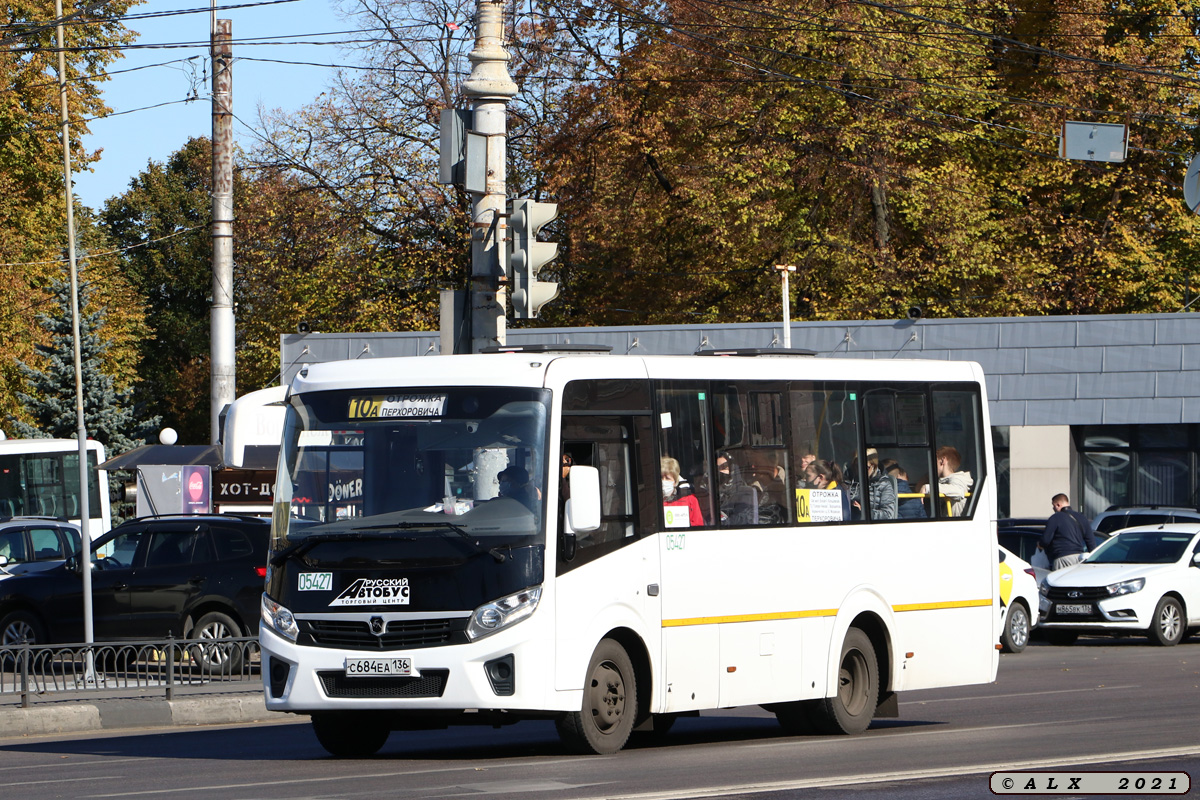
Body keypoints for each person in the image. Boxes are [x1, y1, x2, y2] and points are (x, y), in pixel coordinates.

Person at [1039, 493, 1096, 570]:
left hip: (1062, 558)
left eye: (1053, 506)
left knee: (1061, 581)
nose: (1053, 508)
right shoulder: (1082, 518)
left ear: (1058, 505)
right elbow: (1091, 543)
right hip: (1080, 558)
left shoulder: (1055, 518)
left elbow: (1045, 541)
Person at [922, 446, 973, 516]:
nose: (932, 465)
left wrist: (927, 488)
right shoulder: (943, 482)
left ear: (943, 461)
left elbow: (958, 491)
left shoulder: (958, 479)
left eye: (934, 461)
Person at [662, 457, 705, 527]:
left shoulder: (690, 499)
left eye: (667, 478)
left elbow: (698, 525)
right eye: (661, 477)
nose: (663, 481)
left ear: (675, 482)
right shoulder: (652, 501)